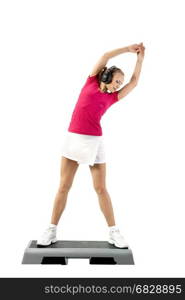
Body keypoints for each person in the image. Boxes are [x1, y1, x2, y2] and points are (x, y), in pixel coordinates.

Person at [37, 42, 145, 248]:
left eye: (120, 83)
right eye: (116, 81)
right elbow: (105, 55)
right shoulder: (90, 83)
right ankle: (51, 229)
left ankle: (114, 232)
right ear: (106, 77)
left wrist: (140, 60)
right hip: (74, 138)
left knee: (101, 188)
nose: (118, 85)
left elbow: (135, 81)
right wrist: (127, 50)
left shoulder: (113, 97)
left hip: (95, 141)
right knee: (63, 187)